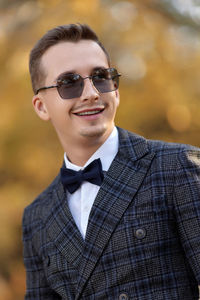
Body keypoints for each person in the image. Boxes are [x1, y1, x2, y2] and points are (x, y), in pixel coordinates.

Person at [22, 23, 200, 300]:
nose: (91, 92)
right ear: (41, 106)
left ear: (115, 89)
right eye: (69, 83)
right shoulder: (36, 217)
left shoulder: (178, 167)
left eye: (101, 77)